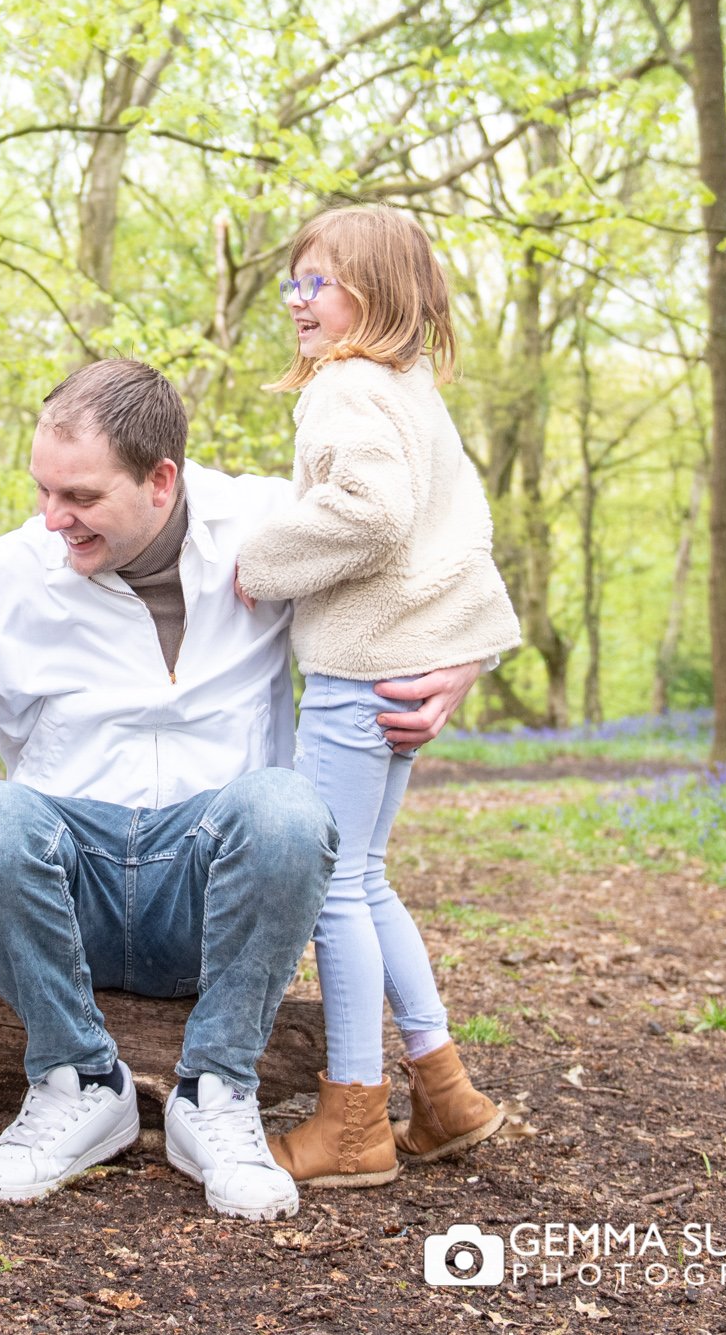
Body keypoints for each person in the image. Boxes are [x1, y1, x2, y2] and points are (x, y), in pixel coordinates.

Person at [0, 358, 486, 1221]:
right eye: (44, 491)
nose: (54, 519)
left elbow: (422, 538)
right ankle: (80, 1078)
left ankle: (216, 1093)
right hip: (71, 891)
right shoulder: (14, 573)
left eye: (80, 498)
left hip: (211, 891)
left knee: (288, 808)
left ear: (161, 480)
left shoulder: (267, 526)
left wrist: (467, 653)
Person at [233, 205, 518, 1188]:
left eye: (319, 282)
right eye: (293, 280)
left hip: (359, 671)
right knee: (366, 875)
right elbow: (458, 527)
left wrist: (259, 559)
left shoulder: (346, 384)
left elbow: (373, 512)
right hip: (401, 661)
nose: (296, 299)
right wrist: (465, 645)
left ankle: (352, 1118)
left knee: (332, 887)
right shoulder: (410, 388)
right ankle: (443, 1093)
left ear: (380, 296)